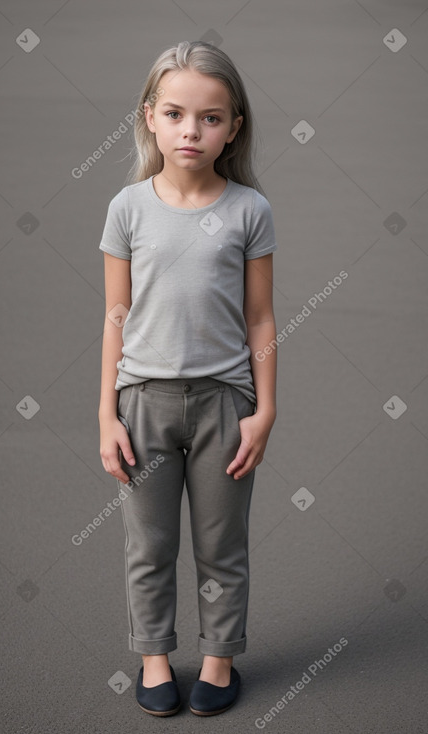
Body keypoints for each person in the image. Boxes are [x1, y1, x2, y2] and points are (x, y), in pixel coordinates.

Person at [98, 39, 278, 717]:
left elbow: (260, 320)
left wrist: (262, 410)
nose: (190, 130)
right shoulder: (127, 209)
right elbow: (114, 318)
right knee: (149, 543)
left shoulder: (247, 211)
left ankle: (218, 658)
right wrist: (105, 413)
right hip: (141, 403)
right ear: (149, 116)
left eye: (209, 117)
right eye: (175, 113)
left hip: (224, 405)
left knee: (219, 543)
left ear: (233, 126)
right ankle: (152, 657)